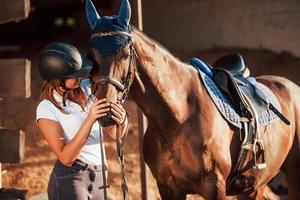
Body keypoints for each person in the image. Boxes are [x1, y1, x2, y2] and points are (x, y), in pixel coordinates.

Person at [36, 42, 128, 200]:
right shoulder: (47, 108)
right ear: (58, 79)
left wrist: (122, 122)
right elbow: (66, 158)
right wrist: (90, 119)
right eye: (74, 75)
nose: (82, 76)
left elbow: (113, 134)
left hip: (100, 176)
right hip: (71, 179)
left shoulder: (88, 88)